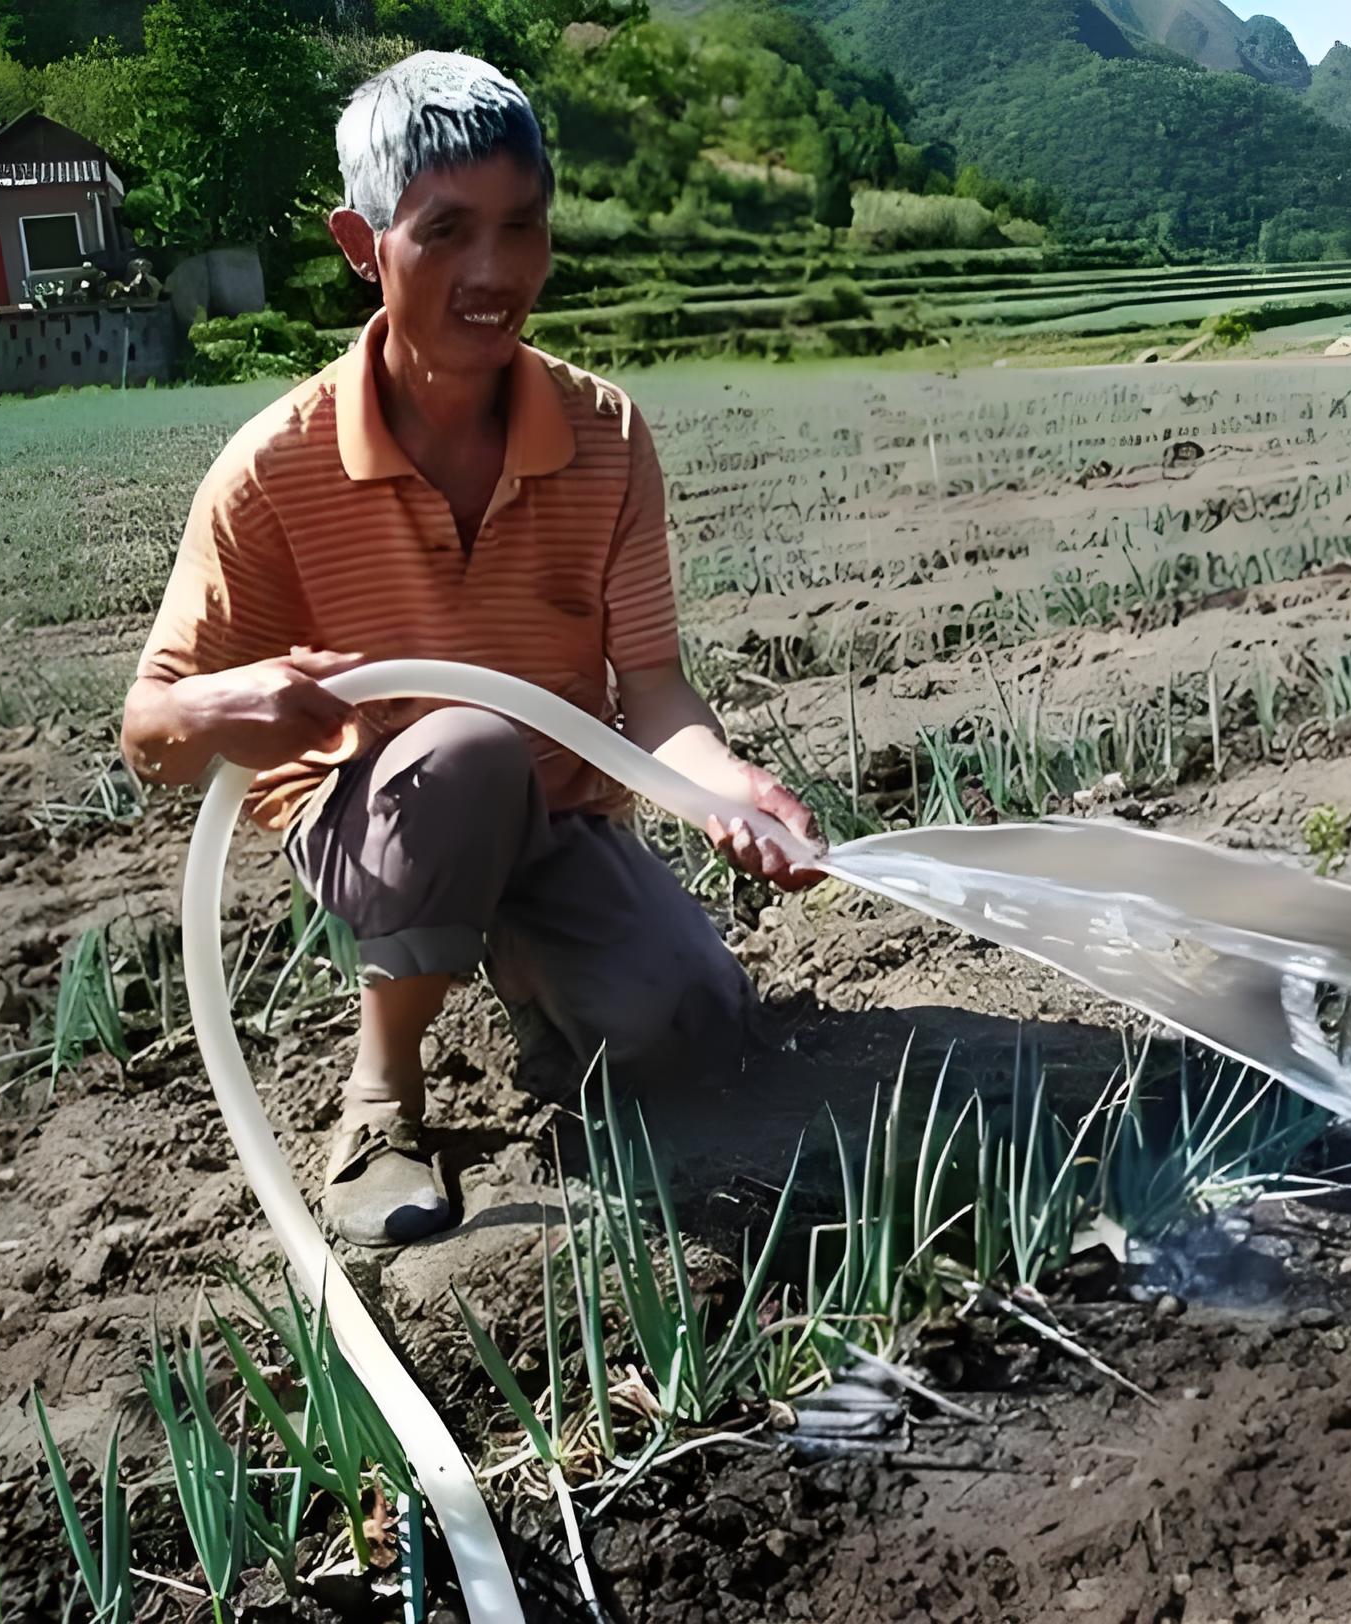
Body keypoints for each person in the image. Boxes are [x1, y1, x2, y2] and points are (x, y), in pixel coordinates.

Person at [118, 51, 825, 1249]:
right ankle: (383, 1097)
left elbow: (650, 690)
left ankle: (540, 987)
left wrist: (724, 785)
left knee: (694, 1029)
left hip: (554, 813)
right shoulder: (271, 471)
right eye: (445, 232)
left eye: (522, 228)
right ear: (363, 243)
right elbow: (150, 727)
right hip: (376, 813)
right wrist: (215, 709)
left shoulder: (603, 435)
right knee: (467, 748)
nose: (494, 274)